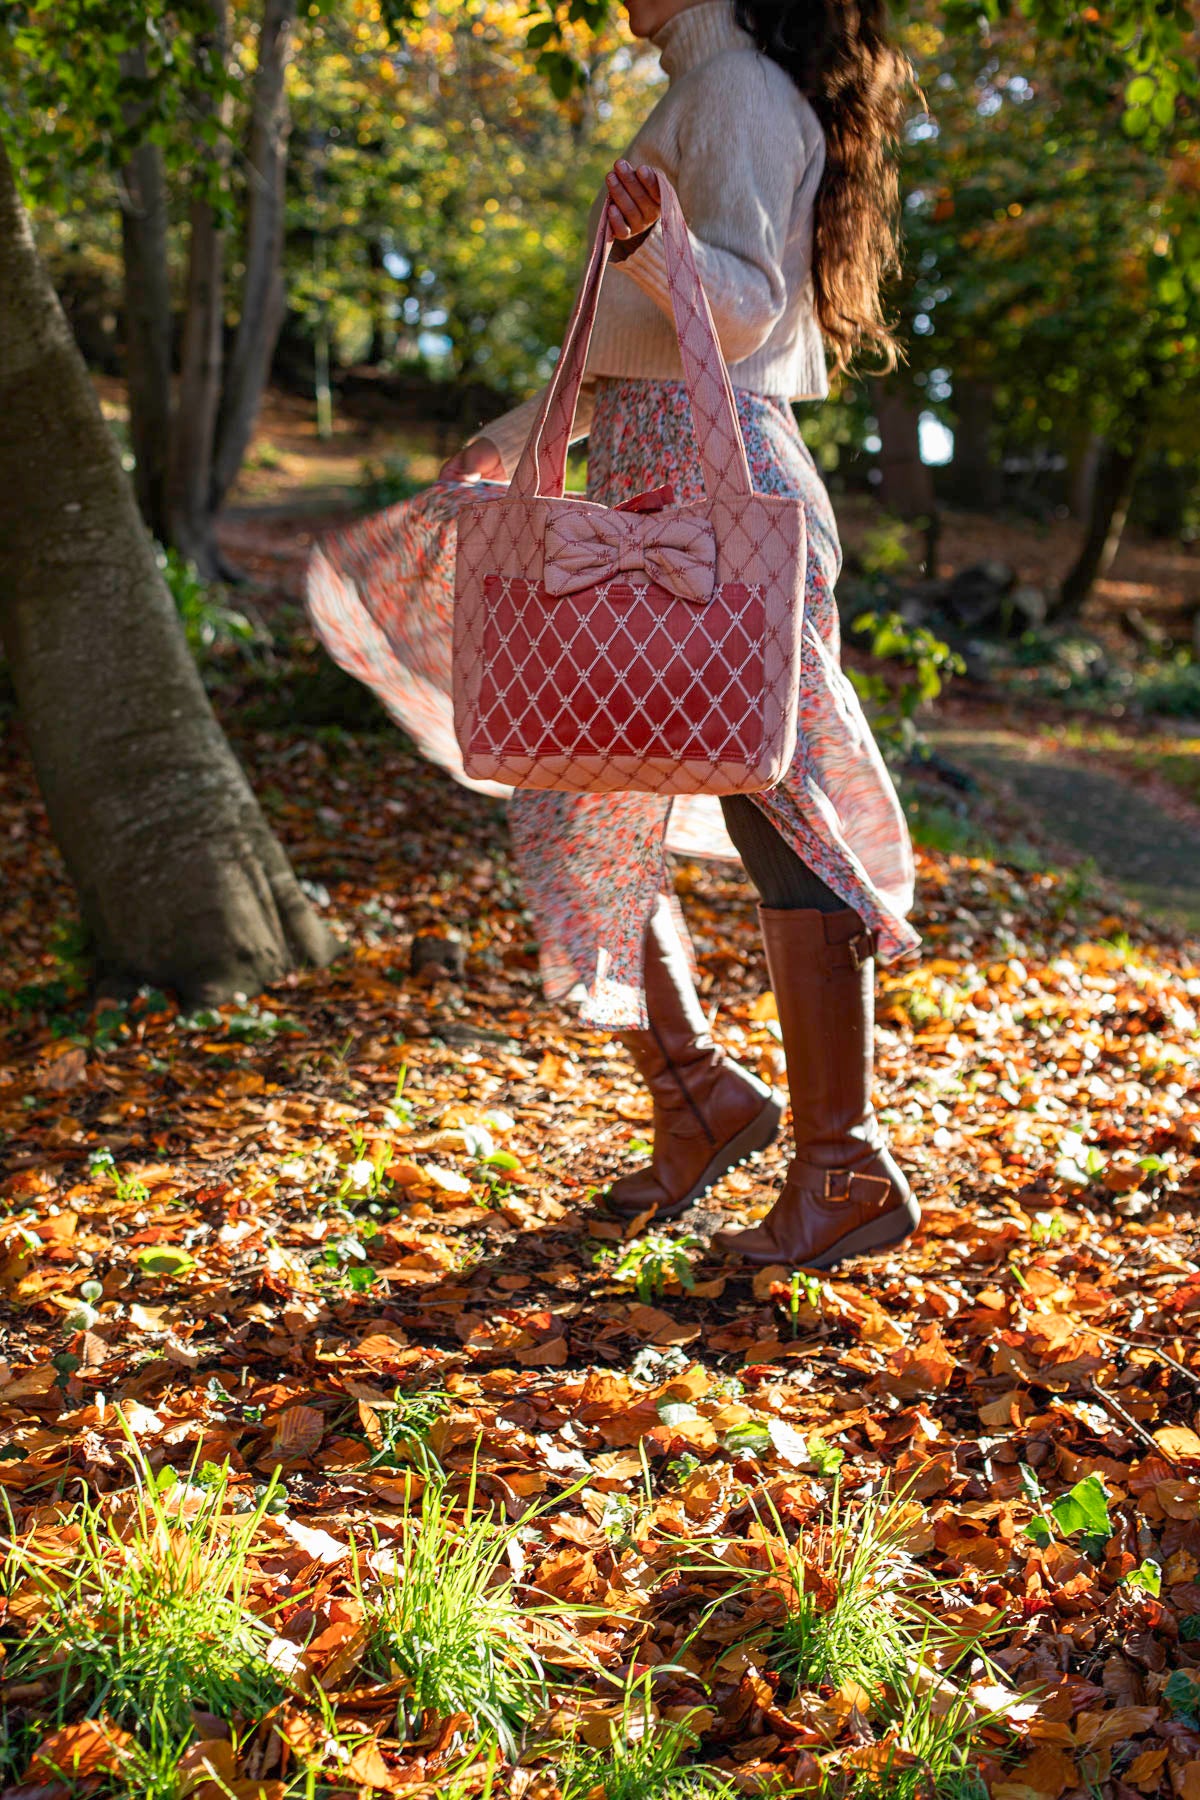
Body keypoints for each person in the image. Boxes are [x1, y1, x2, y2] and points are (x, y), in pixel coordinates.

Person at [308, 0, 921, 1270]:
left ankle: (842, 1169)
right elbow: (642, 344)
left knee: (776, 799)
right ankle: (698, 1095)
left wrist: (654, 247)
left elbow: (735, 315)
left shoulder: (741, 88)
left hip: (720, 491)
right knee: (567, 789)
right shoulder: (705, 88)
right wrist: (518, 434)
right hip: (649, 480)